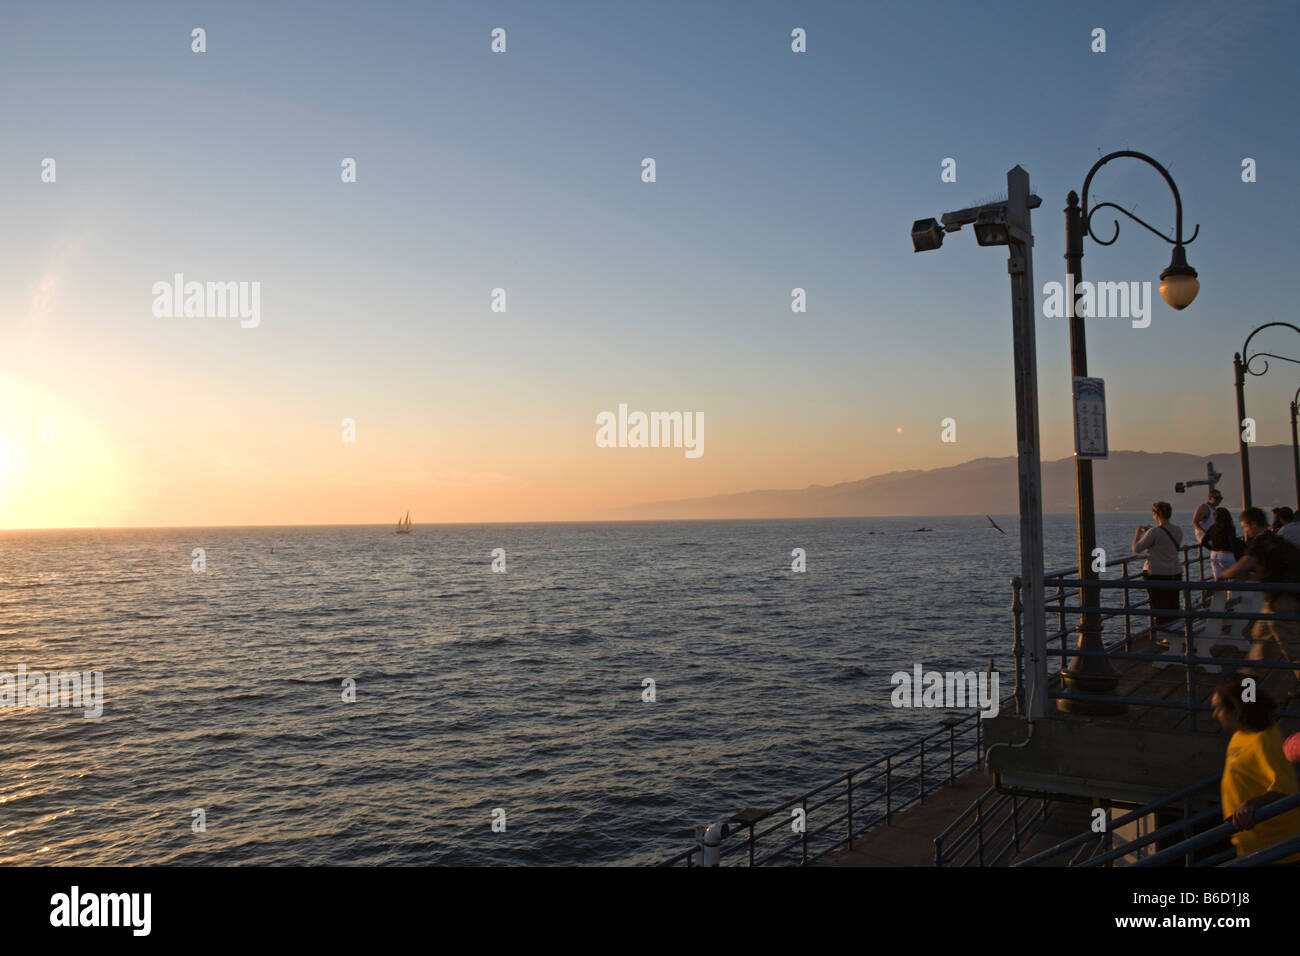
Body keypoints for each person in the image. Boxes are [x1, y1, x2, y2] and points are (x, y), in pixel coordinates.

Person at [1211, 678, 1300, 862]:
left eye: (1218, 708)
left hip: (1275, 851)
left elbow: (1286, 787)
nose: (1214, 714)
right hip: (1250, 844)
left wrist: (1251, 804)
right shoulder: (1241, 734)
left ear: (1235, 711)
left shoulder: (1264, 740)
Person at [1220, 508, 1300, 691]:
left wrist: (1223, 575)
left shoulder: (1262, 543)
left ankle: (1248, 681)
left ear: (1253, 524)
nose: (1245, 531)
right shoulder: (1277, 540)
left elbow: (1244, 565)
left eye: (1245, 526)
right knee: (1260, 638)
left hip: (1280, 601)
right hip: (1277, 599)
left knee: (1291, 646)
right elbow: (1271, 570)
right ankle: (1248, 681)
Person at [1133, 501, 1184, 629]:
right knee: (1173, 604)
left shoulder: (1154, 532)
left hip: (1156, 573)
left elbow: (1137, 549)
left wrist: (1138, 534)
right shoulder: (1178, 530)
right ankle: (1174, 630)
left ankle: (1163, 633)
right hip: (1175, 572)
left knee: (1158, 605)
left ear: (1156, 514)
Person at [1201, 507, 1243, 635]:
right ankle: (1232, 608)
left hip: (1215, 555)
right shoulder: (1229, 527)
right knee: (1233, 581)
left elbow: (1204, 541)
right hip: (1228, 554)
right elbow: (1232, 542)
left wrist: (1213, 549)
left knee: (1219, 583)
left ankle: (1218, 608)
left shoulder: (1213, 527)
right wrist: (1238, 555)